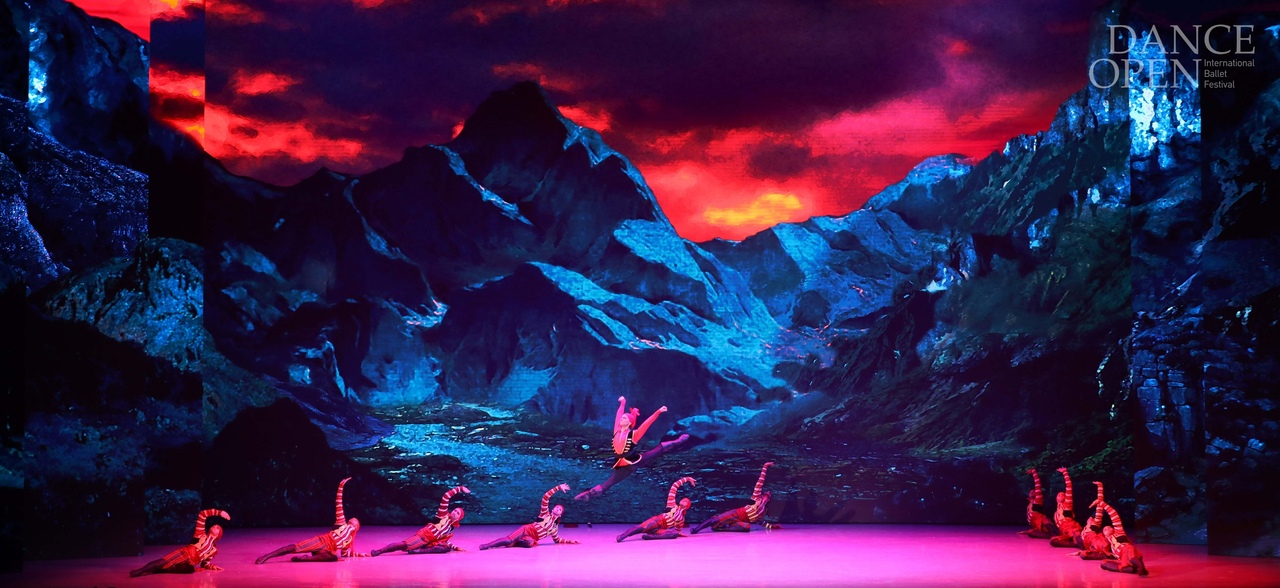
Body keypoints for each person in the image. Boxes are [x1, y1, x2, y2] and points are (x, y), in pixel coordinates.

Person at [575, 396, 689, 501]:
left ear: (629, 422)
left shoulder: (634, 434)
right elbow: (618, 414)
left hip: (634, 459)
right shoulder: (617, 431)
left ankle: (678, 441)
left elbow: (647, 423)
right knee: (610, 482)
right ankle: (588, 495)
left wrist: (658, 412)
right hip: (622, 464)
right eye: (622, 418)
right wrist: (622, 403)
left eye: (624, 418)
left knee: (656, 451)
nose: (621, 419)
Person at [256, 478, 363, 564]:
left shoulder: (348, 541)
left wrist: (360, 555)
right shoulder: (341, 523)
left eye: (355, 522)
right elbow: (338, 504)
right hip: (322, 541)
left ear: (356, 528)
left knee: (333, 557)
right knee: (295, 548)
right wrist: (341, 486)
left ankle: (305, 559)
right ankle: (267, 556)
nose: (354, 520)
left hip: (326, 551)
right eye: (352, 520)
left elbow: (346, 554)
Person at [371, 486, 471, 555]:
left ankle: (419, 551)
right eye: (455, 510)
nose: (454, 512)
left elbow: (444, 541)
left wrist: (456, 548)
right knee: (404, 545)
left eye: (457, 513)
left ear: (459, 518)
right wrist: (460, 488)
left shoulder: (450, 528)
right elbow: (446, 496)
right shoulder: (443, 514)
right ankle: (379, 551)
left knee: (446, 548)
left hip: (431, 542)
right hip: (424, 536)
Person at [130, 509, 230, 577]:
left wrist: (212, 567)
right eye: (214, 525)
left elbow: (205, 564)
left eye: (217, 527)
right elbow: (202, 515)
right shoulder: (200, 534)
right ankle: (140, 571)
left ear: (218, 535)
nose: (214, 526)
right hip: (185, 553)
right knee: (164, 561)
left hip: (191, 563)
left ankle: (161, 570)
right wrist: (219, 512)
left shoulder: (213, 550)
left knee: (189, 569)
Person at [479, 484, 579, 549]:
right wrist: (558, 488)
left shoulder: (554, 528)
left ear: (560, 514)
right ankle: (487, 545)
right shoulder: (545, 514)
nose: (557, 509)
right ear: (552, 509)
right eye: (556, 507)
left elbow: (557, 540)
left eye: (560, 509)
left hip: (530, 538)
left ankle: (515, 542)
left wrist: (570, 541)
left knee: (530, 543)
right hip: (526, 530)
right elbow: (545, 497)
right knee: (508, 540)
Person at [691, 462, 780, 533]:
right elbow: (760, 482)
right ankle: (697, 529)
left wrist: (772, 526)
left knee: (747, 527)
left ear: (768, 499)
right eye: (766, 493)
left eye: (769, 494)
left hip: (740, 522)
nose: (767, 493)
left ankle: (723, 529)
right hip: (736, 514)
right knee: (716, 520)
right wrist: (765, 467)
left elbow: (761, 522)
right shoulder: (757, 498)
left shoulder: (763, 511)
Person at [616, 477, 696, 542]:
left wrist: (678, 533)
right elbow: (674, 486)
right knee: (641, 528)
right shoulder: (672, 504)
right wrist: (687, 479)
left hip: (660, 529)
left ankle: (651, 537)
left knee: (674, 534)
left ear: (688, 506)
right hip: (657, 521)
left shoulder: (681, 519)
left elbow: (678, 530)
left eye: (686, 501)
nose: (684, 501)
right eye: (683, 500)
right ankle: (623, 536)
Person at [1098, 500, 1149, 576]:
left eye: (1109, 527)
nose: (1107, 528)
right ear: (1105, 535)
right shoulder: (1108, 542)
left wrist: (1101, 503)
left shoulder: (1119, 532)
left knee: (1131, 555)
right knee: (1103, 564)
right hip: (1122, 558)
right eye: (1105, 529)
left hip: (1127, 550)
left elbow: (1114, 515)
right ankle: (1131, 569)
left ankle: (1141, 568)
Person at [1074, 481, 1114, 560]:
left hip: (1093, 542)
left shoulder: (1096, 522)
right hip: (1086, 543)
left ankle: (1106, 554)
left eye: (1108, 529)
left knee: (1085, 554)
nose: (1090, 518)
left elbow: (1100, 503)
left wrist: (1100, 487)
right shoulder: (1087, 525)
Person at [1049, 467, 1083, 548]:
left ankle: (1079, 543)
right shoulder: (1056, 513)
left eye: (1063, 495)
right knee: (1053, 541)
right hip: (1064, 531)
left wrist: (1065, 473)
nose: (1061, 495)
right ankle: (1075, 544)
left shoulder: (1067, 505)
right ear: (1056, 498)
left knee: (1076, 535)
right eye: (1059, 495)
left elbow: (1069, 487)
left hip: (1071, 528)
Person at [1017, 467, 1055, 538]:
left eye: (1034, 492)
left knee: (1034, 531)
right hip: (1037, 525)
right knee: (1031, 533)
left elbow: (1038, 485)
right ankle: (1047, 534)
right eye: (1030, 491)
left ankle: (1051, 534)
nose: (1031, 492)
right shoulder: (1030, 503)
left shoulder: (1038, 499)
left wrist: (1034, 473)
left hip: (1044, 524)